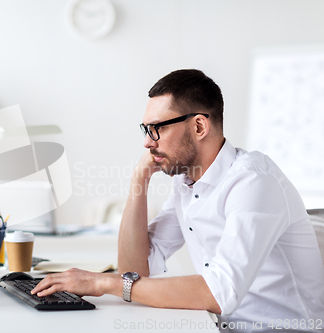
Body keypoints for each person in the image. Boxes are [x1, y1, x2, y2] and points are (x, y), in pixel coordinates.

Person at [31, 69, 324, 332]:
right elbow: (136, 269)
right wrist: (139, 180)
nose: (148, 142)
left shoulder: (253, 182)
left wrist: (101, 282)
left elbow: (218, 293)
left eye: (157, 128)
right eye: (146, 130)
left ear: (199, 127)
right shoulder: (187, 183)